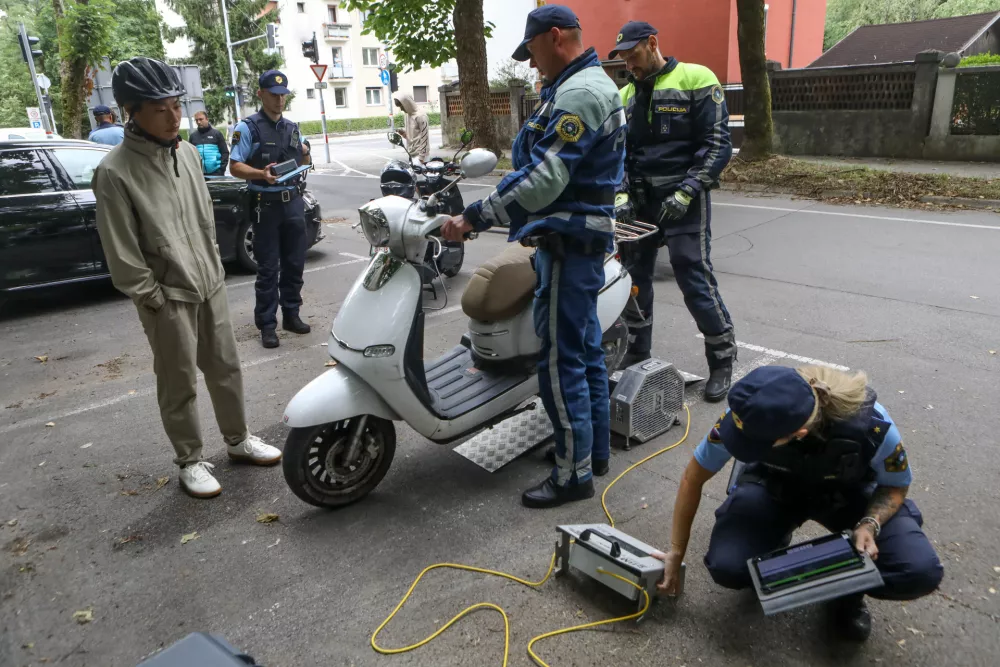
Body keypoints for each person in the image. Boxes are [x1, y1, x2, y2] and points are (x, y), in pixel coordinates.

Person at [442, 4, 626, 509]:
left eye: (532, 50)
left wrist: (475, 217)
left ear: (556, 37)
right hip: (569, 242)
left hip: (570, 244)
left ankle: (573, 475)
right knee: (584, 352)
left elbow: (544, 179)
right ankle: (592, 452)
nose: (530, 63)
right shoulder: (571, 87)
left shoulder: (581, 93)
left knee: (560, 363)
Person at [91, 57, 282, 498]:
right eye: (160, 109)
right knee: (178, 384)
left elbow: (203, 222)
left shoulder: (189, 154)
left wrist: (215, 269)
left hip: (209, 283)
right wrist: (152, 297)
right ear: (131, 112)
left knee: (226, 368)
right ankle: (190, 460)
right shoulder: (115, 172)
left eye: (176, 105)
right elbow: (121, 251)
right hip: (167, 295)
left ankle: (237, 440)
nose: (173, 116)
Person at [654, 365, 944, 641]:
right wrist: (676, 551)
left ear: (798, 434)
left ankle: (848, 590)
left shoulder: (873, 426)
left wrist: (870, 524)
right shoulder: (749, 412)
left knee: (917, 570)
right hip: (776, 487)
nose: (742, 444)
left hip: (845, 492)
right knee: (729, 566)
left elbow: (896, 485)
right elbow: (693, 478)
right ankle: (773, 542)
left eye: (753, 445)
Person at [610, 21, 737, 402]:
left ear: (652, 44)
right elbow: (617, 154)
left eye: (633, 56)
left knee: (693, 276)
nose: (629, 65)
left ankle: (722, 359)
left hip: (685, 201)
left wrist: (687, 192)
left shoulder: (696, 79)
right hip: (640, 203)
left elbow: (717, 144)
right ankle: (637, 350)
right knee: (634, 280)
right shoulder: (625, 95)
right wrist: (620, 195)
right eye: (623, 59)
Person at [229, 70, 313, 349]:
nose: (279, 100)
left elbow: (303, 159)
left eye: (283, 95)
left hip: (293, 203)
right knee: (268, 269)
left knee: (294, 264)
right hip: (265, 207)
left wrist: (306, 151)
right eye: (274, 95)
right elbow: (234, 166)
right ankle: (267, 325)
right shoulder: (248, 128)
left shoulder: (292, 127)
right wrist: (260, 174)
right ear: (260, 94)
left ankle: (291, 315)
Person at [189, 110, 230, 177]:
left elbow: (225, 152)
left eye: (201, 119)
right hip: (200, 174)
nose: (198, 122)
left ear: (207, 119)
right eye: (196, 120)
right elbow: (190, 156)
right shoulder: (193, 136)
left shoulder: (217, 134)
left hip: (217, 173)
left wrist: (221, 170)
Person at [393, 92, 430, 161]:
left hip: (421, 156)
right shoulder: (407, 115)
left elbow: (425, 137)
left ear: (407, 103)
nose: (401, 109)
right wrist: (404, 133)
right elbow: (412, 137)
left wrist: (421, 157)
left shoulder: (421, 116)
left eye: (402, 106)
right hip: (411, 154)